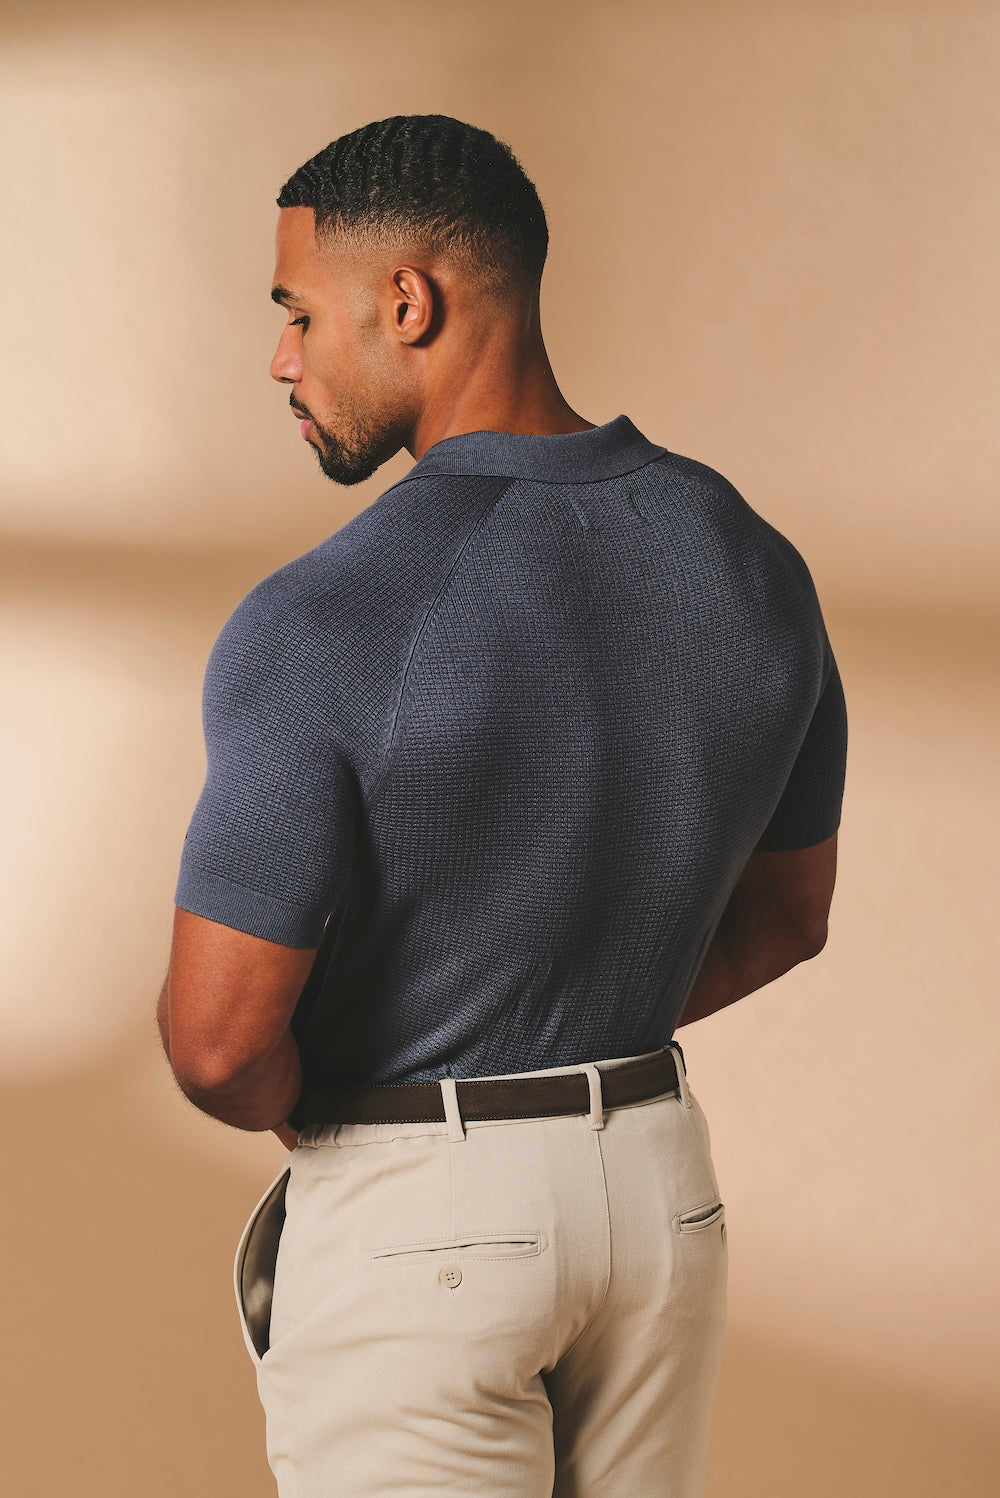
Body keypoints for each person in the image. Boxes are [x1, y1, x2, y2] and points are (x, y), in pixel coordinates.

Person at [156, 113, 847, 1497]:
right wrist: (564, 1026)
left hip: (429, 1213)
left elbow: (219, 1044)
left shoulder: (324, 616)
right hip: (660, 1194)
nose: (283, 358)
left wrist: (366, 1085)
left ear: (407, 303)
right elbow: (788, 917)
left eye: (299, 313)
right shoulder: (750, 559)